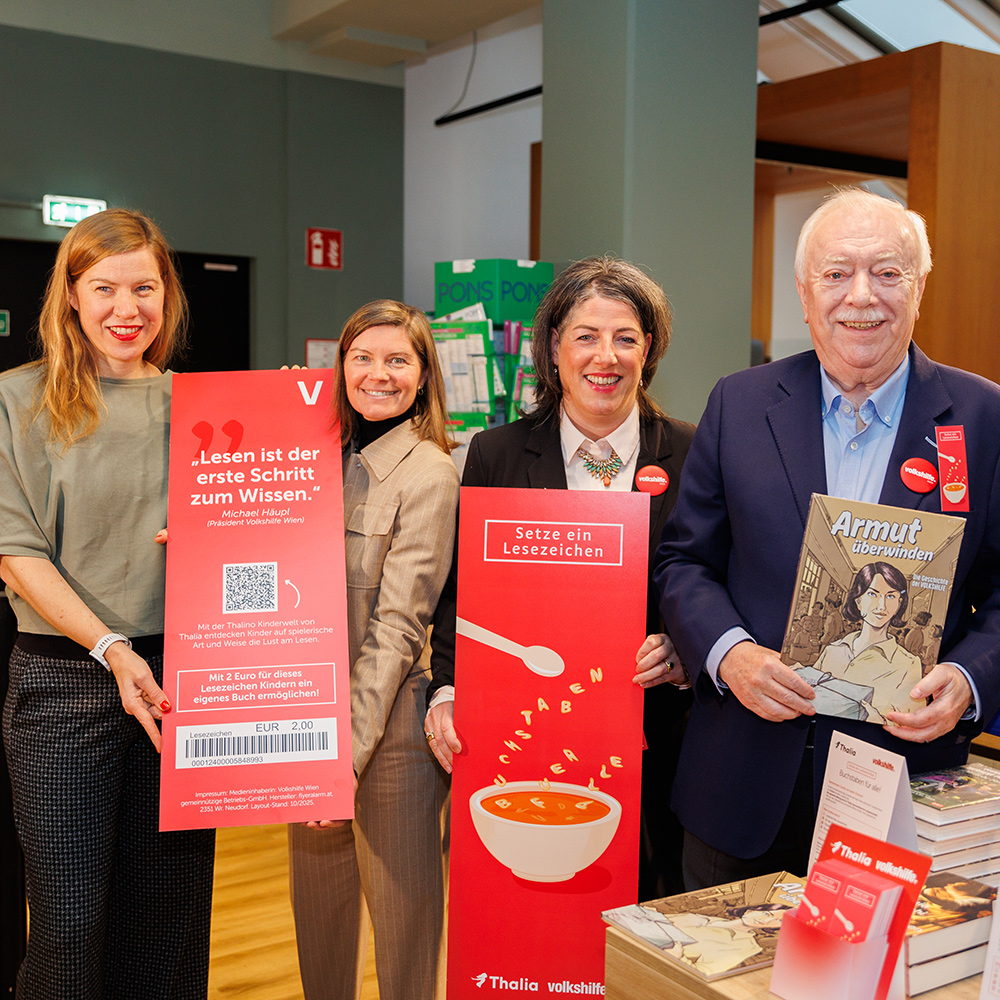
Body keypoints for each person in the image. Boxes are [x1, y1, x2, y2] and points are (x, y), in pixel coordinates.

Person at [654, 187, 1000, 888]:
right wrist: (730, 654)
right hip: (739, 784)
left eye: (887, 272)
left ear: (919, 287)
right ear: (805, 293)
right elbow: (684, 562)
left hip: (900, 789)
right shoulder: (738, 403)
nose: (861, 296)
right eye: (837, 273)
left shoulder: (983, 417)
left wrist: (969, 679)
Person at [426, 256, 696, 898]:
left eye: (625, 338)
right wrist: (445, 689)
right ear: (553, 348)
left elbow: (715, 577)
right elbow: (461, 592)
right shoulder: (495, 454)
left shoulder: (693, 451)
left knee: (649, 914)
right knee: (532, 910)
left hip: (662, 740)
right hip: (527, 730)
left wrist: (690, 649)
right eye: (586, 336)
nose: (606, 357)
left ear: (648, 348)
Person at [0, 209, 215, 999]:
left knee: (167, 921)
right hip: (64, 684)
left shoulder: (203, 404)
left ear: (167, 296)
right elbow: (16, 552)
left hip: (180, 682)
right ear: (70, 296)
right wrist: (111, 649)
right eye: (105, 289)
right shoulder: (16, 400)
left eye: (144, 289)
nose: (128, 309)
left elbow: (264, 525)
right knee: (68, 926)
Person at [288, 300, 458, 1000]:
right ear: (341, 366)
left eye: (397, 360)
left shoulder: (431, 474)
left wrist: (345, 756)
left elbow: (397, 627)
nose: (377, 374)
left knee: (404, 937)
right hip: (309, 719)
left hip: (389, 736)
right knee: (319, 927)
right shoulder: (309, 461)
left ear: (423, 376)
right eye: (362, 357)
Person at [810, 562, 924, 721]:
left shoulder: (909, 664)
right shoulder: (832, 650)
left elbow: (911, 722)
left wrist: (877, 720)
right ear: (858, 600)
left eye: (890, 596)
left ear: (899, 603)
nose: (881, 606)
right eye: (872, 594)